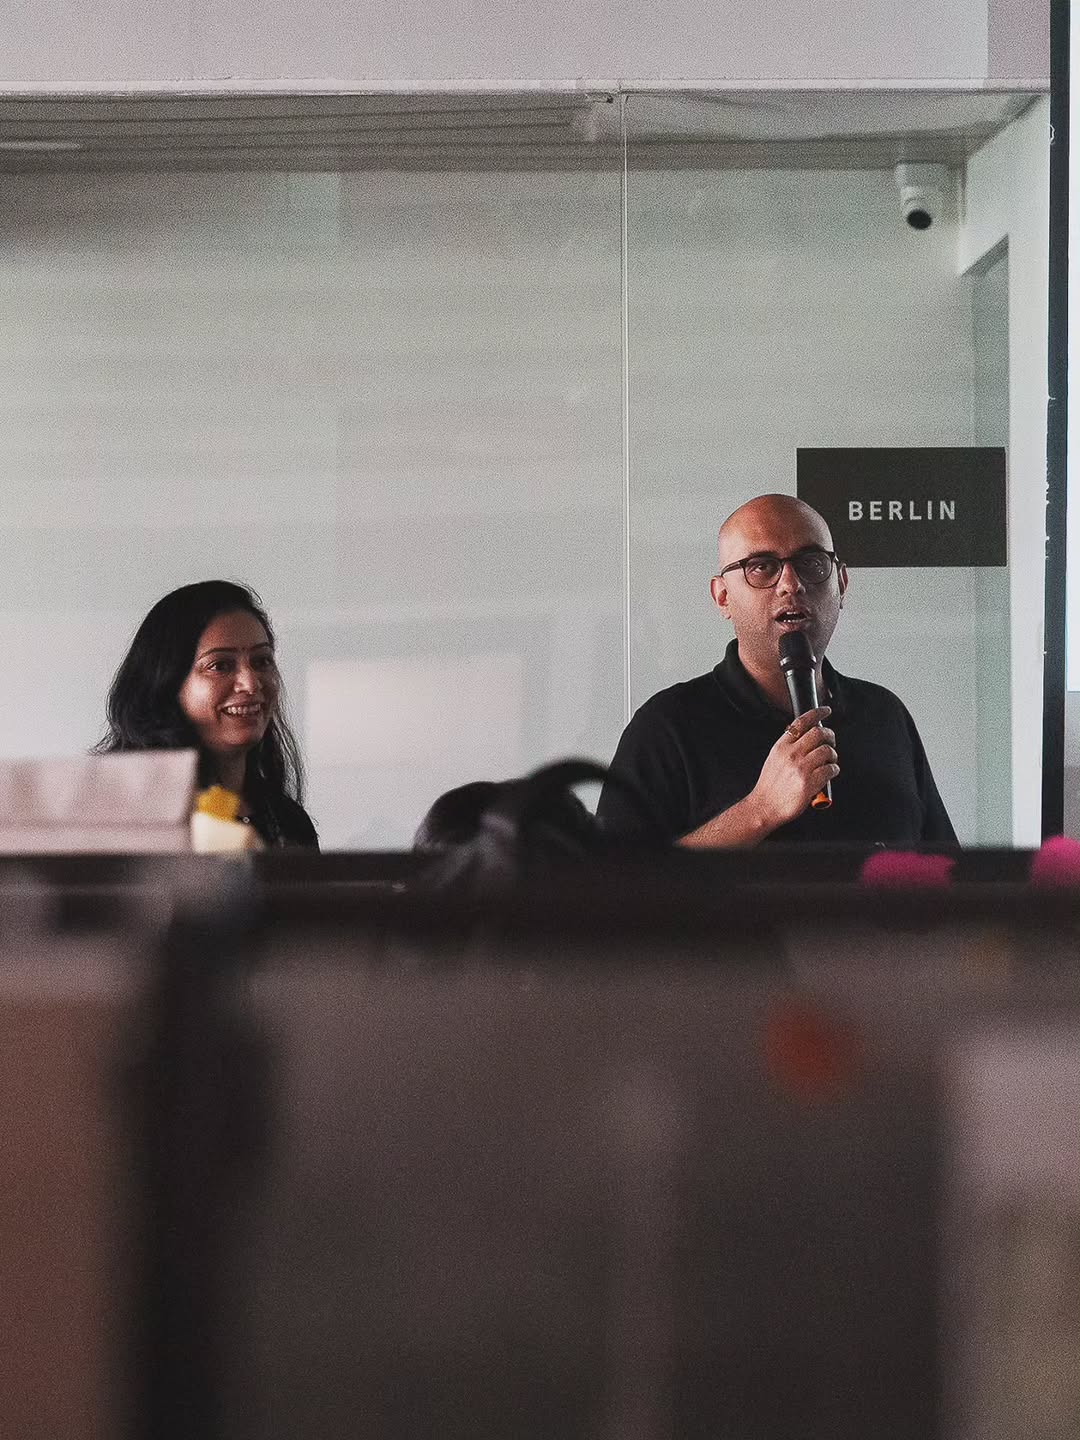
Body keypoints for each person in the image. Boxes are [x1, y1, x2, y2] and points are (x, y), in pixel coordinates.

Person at [597, 494, 956, 848]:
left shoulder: (884, 715)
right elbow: (612, 882)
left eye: (811, 562)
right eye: (762, 566)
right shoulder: (666, 728)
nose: (791, 584)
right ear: (723, 597)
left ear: (841, 584)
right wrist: (759, 811)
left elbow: (947, 872)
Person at [95, 580, 318, 848]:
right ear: (168, 684)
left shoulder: (289, 821)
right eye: (220, 666)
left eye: (262, 661)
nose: (250, 684)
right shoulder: (128, 819)